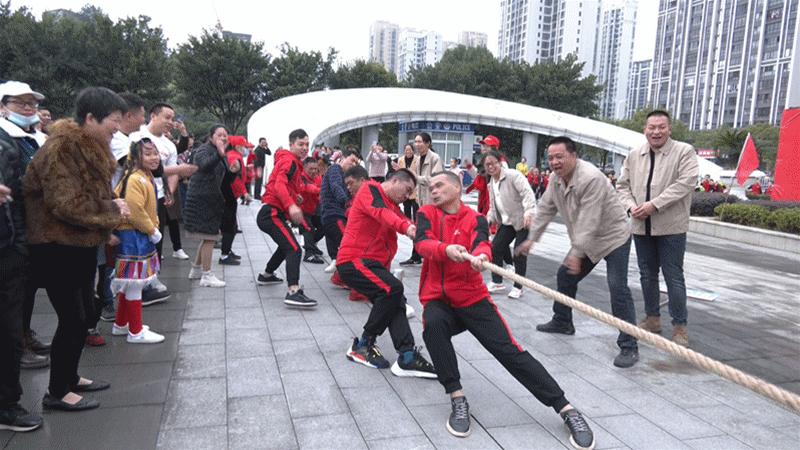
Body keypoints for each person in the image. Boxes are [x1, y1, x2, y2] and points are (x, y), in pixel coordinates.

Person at [416, 171, 594, 448]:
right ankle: (457, 396)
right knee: (433, 325)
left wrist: (482, 256)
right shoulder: (426, 213)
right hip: (439, 298)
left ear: (457, 187)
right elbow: (422, 243)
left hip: (472, 299)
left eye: (439, 186)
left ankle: (565, 408)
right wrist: (445, 249)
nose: (433, 191)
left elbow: (482, 243)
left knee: (508, 351)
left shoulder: (475, 218)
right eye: (431, 187)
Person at [23, 87, 129, 411]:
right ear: (90, 118)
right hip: (57, 246)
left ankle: (69, 377)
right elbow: (65, 203)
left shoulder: (87, 147)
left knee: (83, 315)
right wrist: (112, 209)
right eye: (113, 120)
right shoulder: (63, 148)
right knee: (72, 318)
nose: (118, 127)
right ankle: (56, 392)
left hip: (79, 243)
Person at [518, 136, 640, 368]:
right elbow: (545, 209)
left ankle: (629, 345)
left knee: (618, 288)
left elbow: (589, 219)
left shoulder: (591, 177)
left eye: (559, 156)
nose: (554, 162)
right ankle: (563, 321)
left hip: (613, 239)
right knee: (565, 276)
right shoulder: (555, 179)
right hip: (587, 240)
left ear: (573, 156)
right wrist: (531, 239)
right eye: (551, 157)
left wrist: (576, 253)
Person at [337, 169, 436, 377]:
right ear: (394, 180)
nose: (407, 196)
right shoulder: (370, 190)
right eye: (407, 189)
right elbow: (384, 215)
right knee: (392, 289)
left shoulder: (393, 205)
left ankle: (407, 355)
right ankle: (362, 345)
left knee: (395, 297)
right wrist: (407, 229)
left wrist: (432, 241)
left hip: (372, 264)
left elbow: (406, 222)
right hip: (354, 260)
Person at [616, 110, 698, 347]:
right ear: (645, 130)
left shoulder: (683, 151)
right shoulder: (634, 155)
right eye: (652, 127)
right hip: (641, 226)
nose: (656, 131)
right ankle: (652, 319)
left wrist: (654, 205)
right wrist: (631, 207)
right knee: (646, 275)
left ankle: (680, 326)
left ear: (669, 129)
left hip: (671, 227)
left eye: (661, 127)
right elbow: (622, 186)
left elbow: (686, 183)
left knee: (674, 277)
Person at [0, 81, 50, 370]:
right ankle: (16, 344)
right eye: (21, 103)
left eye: (32, 103)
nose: (29, 108)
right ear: (4, 107)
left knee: (27, 286)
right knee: (15, 291)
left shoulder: (33, 136)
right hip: (14, 224)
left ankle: (24, 335)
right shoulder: (7, 137)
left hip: (33, 222)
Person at [0, 127, 43, 431]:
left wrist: (20, 247)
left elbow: (18, 198)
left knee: (8, 334)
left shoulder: (9, 141)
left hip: (9, 251)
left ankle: (6, 404)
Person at [111, 138, 166, 344]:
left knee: (131, 282)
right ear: (136, 156)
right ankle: (135, 331)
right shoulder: (136, 178)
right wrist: (152, 229)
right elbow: (135, 210)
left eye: (156, 153)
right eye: (148, 154)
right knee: (134, 283)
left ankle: (121, 323)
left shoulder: (143, 175)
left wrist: (153, 226)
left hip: (138, 234)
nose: (154, 158)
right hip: (134, 235)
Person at [256, 129, 318, 308]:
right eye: (300, 144)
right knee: (294, 249)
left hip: (272, 213)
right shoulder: (289, 161)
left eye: (307, 144)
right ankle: (293, 291)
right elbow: (278, 185)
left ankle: (267, 275)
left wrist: (294, 198)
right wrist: (290, 205)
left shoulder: (293, 163)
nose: (304, 148)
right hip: (271, 213)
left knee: (286, 246)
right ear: (291, 144)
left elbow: (286, 186)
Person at [130, 103, 194, 262]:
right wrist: (180, 170)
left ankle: (153, 275)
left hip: (157, 196)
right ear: (153, 116)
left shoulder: (170, 145)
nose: (171, 122)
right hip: (136, 194)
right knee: (137, 236)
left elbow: (172, 172)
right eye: (167, 117)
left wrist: (169, 191)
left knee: (157, 237)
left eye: (172, 118)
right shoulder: (136, 136)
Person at [182, 125, 231, 287]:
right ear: (211, 136)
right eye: (219, 135)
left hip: (210, 198)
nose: (223, 138)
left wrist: (234, 170)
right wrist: (219, 152)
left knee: (207, 236)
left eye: (225, 135)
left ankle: (196, 269)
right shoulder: (204, 150)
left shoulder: (218, 151)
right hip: (201, 199)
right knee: (210, 237)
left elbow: (223, 175)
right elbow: (204, 165)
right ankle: (207, 275)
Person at [484, 151, 536, 299]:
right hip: (507, 222)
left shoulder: (513, 175)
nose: (491, 166)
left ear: (500, 162)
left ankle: (518, 286)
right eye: (487, 164)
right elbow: (493, 207)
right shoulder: (491, 184)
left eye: (493, 163)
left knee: (518, 253)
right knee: (496, 248)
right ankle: (497, 282)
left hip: (523, 220)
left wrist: (529, 212)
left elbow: (527, 194)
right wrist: (489, 219)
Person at [400, 132, 442, 266]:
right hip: (420, 200)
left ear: (428, 143)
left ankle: (433, 256)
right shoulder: (418, 159)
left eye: (420, 142)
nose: (417, 144)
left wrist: (416, 178)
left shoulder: (435, 158)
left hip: (431, 201)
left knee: (431, 230)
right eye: (416, 142)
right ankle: (417, 255)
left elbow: (436, 179)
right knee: (420, 228)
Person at [319, 149, 361, 275]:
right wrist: (347, 203)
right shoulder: (335, 169)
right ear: (343, 158)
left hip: (330, 216)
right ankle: (351, 275)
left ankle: (338, 271)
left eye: (356, 163)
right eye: (352, 160)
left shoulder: (345, 176)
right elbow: (336, 187)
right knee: (348, 245)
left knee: (339, 249)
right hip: (334, 215)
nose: (353, 165)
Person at [219, 136, 250, 266]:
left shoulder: (233, 155)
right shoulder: (234, 157)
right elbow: (234, 179)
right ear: (238, 146)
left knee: (231, 226)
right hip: (228, 195)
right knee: (229, 226)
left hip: (230, 195)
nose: (246, 150)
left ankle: (227, 251)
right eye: (245, 147)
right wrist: (244, 192)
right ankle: (224, 255)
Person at [299, 156, 324, 264]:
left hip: (314, 209)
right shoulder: (300, 177)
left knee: (324, 226)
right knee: (308, 229)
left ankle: (311, 245)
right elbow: (307, 188)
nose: (314, 171)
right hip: (301, 210)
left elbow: (319, 192)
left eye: (315, 169)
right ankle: (309, 254)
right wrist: (321, 191)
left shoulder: (318, 178)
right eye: (311, 169)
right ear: (304, 167)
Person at [395, 143, 419, 221]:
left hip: (415, 186)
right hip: (404, 187)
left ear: (413, 151)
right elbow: (399, 172)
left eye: (410, 150)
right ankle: (408, 224)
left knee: (416, 207)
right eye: (406, 150)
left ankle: (416, 225)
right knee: (406, 207)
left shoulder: (417, 159)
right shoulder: (401, 159)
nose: (408, 151)